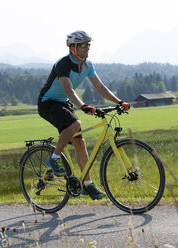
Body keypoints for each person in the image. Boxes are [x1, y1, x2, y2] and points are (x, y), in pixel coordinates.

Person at [37, 30, 130, 200]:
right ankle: (54, 157)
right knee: (75, 123)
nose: (87, 48)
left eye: (88, 45)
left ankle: (87, 185)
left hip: (63, 104)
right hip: (48, 103)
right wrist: (83, 106)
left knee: (80, 142)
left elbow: (101, 88)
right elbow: (69, 90)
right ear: (73, 48)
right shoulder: (62, 64)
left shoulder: (88, 65)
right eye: (83, 45)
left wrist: (119, 102)